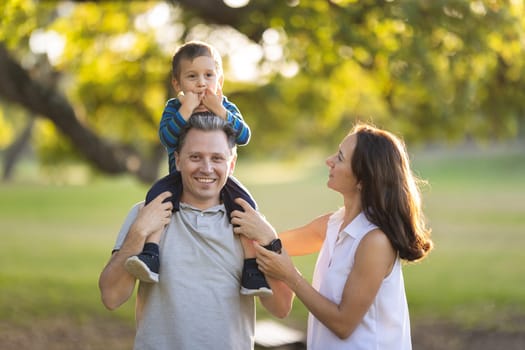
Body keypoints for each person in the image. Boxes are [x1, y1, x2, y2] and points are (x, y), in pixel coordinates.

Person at [231, 122, 433, 350]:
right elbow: (272, 243)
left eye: (340, 157)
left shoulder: (375, 241)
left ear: (363, 179)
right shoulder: (333, 224)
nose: (329, 160)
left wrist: (290, 275)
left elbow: (343, 323)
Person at [98, 114, 293, 350]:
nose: (206, 168)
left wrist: (270, 238)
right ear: (178, 160)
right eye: (195, 157)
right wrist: (138, 232)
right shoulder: (147, 214)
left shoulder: (250, 224)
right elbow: (111, 297)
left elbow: (281, 308)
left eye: (217, 158)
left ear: (231, 164)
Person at [124, 40, 271, 296]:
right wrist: (186, 110)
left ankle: (252, 269)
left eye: (208, 75)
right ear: (177, 84)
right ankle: (151, 254)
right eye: (192, 77)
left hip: (218, 183)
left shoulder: (226, 107)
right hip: (178, 180)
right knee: (155, 200)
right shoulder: (174, 109)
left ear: (220, 81)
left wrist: (221, 112)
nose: (202, 83)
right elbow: (167, 138)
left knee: (246, 207)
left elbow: (245, 135)